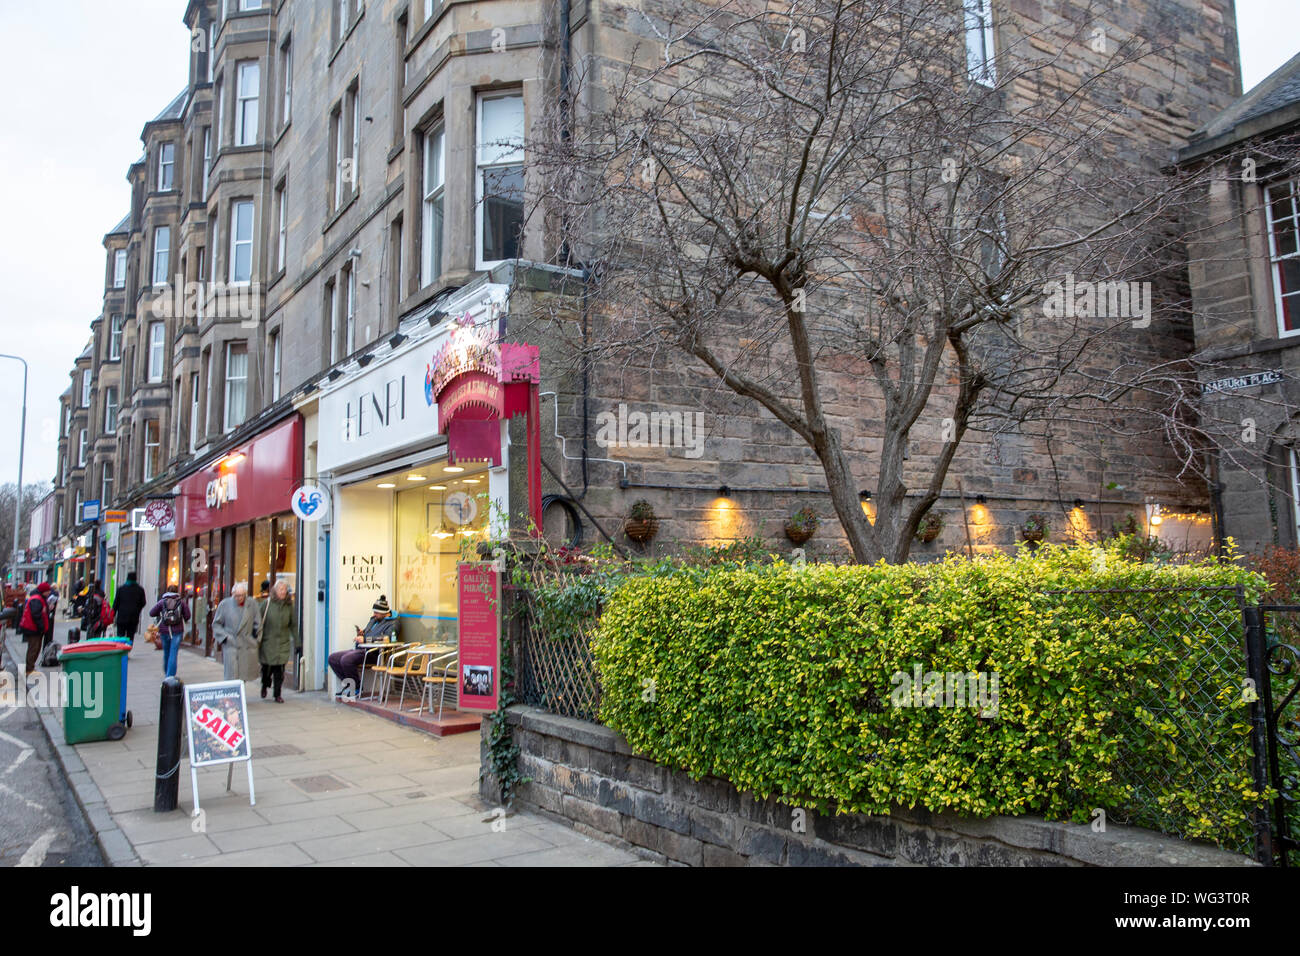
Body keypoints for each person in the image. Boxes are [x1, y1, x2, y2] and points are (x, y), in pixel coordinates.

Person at [327, 595, 397, 698]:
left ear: (385, 613)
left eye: (376, 613)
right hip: (361, 649)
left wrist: (365, 639)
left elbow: (387, 638)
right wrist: (361, 633)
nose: (374, 614)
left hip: (374, 653)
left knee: (346, 660)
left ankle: (356, 687)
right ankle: (349, 684)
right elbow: (367, 633)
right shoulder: (373, 620)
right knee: (333, 658)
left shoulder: (393, 623)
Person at [258, 579, 297, 703]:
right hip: (268, 642)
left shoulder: (289, 606)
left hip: (283, 642)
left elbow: (293, 625)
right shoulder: (266, 604)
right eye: (280, 589)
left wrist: (298, 642)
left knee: (279, 670)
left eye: (284, 589)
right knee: (266, 669)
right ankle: (265, 684)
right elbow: (258, 622)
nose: (283, 592)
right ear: (275, 590)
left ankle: (277, 694)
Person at [213, 583, 261, 683]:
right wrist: (225, 637)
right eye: (237, 596)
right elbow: (216, 624)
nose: (239, 598)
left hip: (247, 644)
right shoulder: (224, 604)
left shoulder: (252, 604)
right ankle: (233, 696)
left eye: (242, 595)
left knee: (243, 676)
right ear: (232, 594)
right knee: (232, 676)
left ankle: (240, 696)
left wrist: (256, 639)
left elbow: (258, 623)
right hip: (231, 644)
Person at [149, 589, 191, 678]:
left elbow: (151, 613)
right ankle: (170, 676)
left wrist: (161, 613)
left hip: (164, 630)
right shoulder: (181, 602)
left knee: (166, 653)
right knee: (173, 653)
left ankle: (166, 672)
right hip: (177, 631)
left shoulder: (162, 601)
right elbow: (188, 615)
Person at [17, 584, 49, 678]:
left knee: (35, 648)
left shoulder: (38, 598)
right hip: (33, 628)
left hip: (34, 628)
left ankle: (30, 668)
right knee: (33, 648)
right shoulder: (36, 599)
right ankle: (29, 669)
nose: (49, 592)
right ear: (44, 591)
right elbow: (36, 615)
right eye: (48, 591)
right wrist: (41, 627)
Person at [112, 571, 147, 643]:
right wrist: (137, 609)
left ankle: (121, 650)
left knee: (120, 636)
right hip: (133, 617)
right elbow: (143, 603)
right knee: (130, 636)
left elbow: (116, 603)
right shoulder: (140, 590)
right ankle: (128, 649)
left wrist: (113, 614)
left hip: (122, 617)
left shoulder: (121, 589)